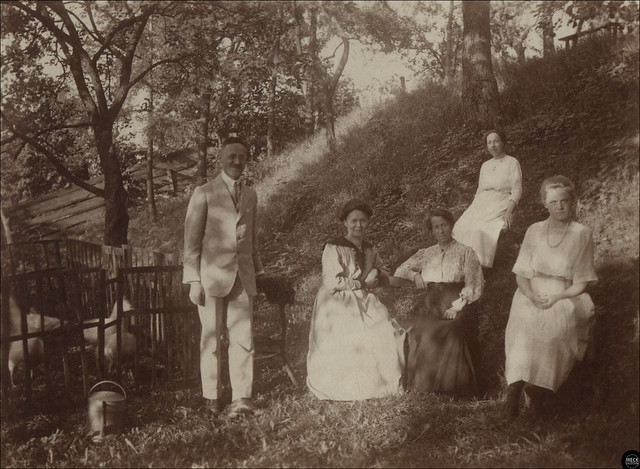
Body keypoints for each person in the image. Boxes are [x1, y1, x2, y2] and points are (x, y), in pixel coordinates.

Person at [503, 175, 597, 419]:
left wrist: (557, 297)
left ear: (572, 201)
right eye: (553, 201)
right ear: (544, 203)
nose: (560, 206)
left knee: (555, 329)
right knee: (522, 325)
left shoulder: (581, 233)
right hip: (531, 291)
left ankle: (539, 394)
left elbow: (582, 282)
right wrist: (531, 295)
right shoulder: (534, 230)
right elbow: (521, 274)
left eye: (564, 201)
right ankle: (513, 392)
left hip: (565, 293)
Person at [183, 136, 264, 417]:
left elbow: (252, 239)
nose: (237, 162)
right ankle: (212, 398)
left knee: (243, 338)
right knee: (211, 339)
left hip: (243, 278)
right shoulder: (204, 192)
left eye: (242, 157)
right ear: (221, 158)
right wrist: (193, 279)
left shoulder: (251, 194)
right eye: (232, 156)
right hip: (211, 279)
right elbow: (191, 243)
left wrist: (258, 272)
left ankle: (242, 397)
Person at [306, 199, 404, 400]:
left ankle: (383, 382)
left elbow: (382, 271)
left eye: (363, 221)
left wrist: (376, 271)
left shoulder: (370, 248)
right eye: (354, 221)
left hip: (363, 298)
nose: (358, 225)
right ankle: (350, 387)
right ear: (345, 222)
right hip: (336, 302)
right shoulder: (334, 247)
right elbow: (333, 281)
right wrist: (363, 284)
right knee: (352, 339)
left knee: (384, 329)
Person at [394, 209, 484, 396]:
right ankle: (423, 385)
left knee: (453, 330)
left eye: (444, 225)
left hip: (456, 300)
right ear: (432, 231)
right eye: (436, 227)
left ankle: (452, 387)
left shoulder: (466, 252)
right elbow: (401, 270)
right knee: (419, 330)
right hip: (432, 302)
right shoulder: (426, 253)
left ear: (451, 226)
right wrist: (415, 275)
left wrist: (457, 306)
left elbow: (473, 284)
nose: (441, 230)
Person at [452, 130, 522, 268]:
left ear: (503, 143)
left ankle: (477, 265)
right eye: (489, 142)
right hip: (482, 202)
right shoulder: (485, 165)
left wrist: (509, 211)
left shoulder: (512, 162)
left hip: (501, 200)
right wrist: (473, 207)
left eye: (496, 141)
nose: (493, 145)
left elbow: (517, 190)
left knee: (480, 229)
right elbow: (479, 189)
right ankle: (459, 264)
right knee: (460, 227)